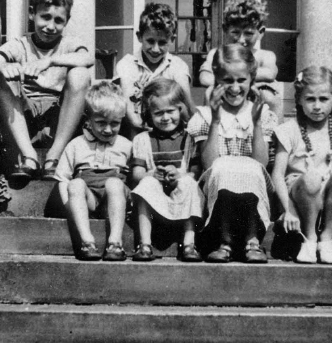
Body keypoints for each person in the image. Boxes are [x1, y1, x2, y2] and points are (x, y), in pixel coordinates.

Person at [0, 0, 94, 180]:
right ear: (32, 14)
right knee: (1, 74)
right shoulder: (20, 45)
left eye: (58, 20)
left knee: (80, 74)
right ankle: (28, 156)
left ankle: (53, 157)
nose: (50, 26)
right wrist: (2, 67)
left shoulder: (70, 44)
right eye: (45, 17)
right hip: (23, 119)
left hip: (58, 121)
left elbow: (88, 59)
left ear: (67, 21)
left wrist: (50, 60)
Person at [187, 44, 278, 264]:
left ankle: (253, 240)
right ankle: (224, 241)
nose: (235, 88)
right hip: (218, 191)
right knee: (223, 166)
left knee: (248, 168)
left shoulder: (261, 113)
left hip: (253, 191)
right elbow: (210, 164)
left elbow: (261, 164)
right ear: (217, 80)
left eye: (241, 81)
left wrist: (256, 125)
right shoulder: (205, 115)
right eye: (228, 81)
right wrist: (216, 121)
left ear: (251, 80)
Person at [271, 66, 332, 264]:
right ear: (299, 99)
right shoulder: (288, 130)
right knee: (311, 176)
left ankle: (326, 238)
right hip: (300, 195)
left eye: (323, 99)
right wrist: (288, 209)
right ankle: (309, 238)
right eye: (310, 99)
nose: (317, 106)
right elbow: (277, 175)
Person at [53, 81, 132, 261]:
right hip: (89, 200)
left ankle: (115, 242)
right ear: (88, 120)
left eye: (115, 123)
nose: (108, 129)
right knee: (75, 183)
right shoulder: (76, 145)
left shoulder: (126, 145)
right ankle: (87, 241)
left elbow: (135, 179)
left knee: (114, 183)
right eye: (101, 123)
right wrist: (70, 204)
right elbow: (62, 178)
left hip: (114, 200)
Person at [130, 78, 205, 262]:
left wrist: (181, 175)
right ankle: (145, 244)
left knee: (189, 182)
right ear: (149, 114)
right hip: (155, 201)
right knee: (146, 183)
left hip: (182, 199)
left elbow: (196, 171)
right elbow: (136, 173)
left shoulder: (190, 138)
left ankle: (189, 243)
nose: (165, 118)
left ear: (181, 109)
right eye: (158, 113)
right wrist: (151, 174)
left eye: (170, 111)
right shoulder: (142, 139)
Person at [115, 2, 196, 139]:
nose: (155, 49)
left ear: (172, 39)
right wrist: (142, 126)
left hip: (169, 131)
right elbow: (129, 108)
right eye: (150, 41)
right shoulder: (127, 64)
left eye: (162, 43)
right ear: (139, 36)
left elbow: (187, 106)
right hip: (137, 131)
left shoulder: (177, 66)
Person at [198, 0, 282, 120]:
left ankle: (276, 136)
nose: (241, 40)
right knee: (210, 92)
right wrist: (233, 83)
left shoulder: (264, 55)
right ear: (225, 30)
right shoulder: (216, 53)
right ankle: (208, 132)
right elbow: (205, 78)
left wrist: (230, 76)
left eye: (248, 33)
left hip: (256, 98)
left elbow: (270, 74)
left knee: (269, 96)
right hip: (227, 95)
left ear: (261, 32)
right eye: (235, 32)